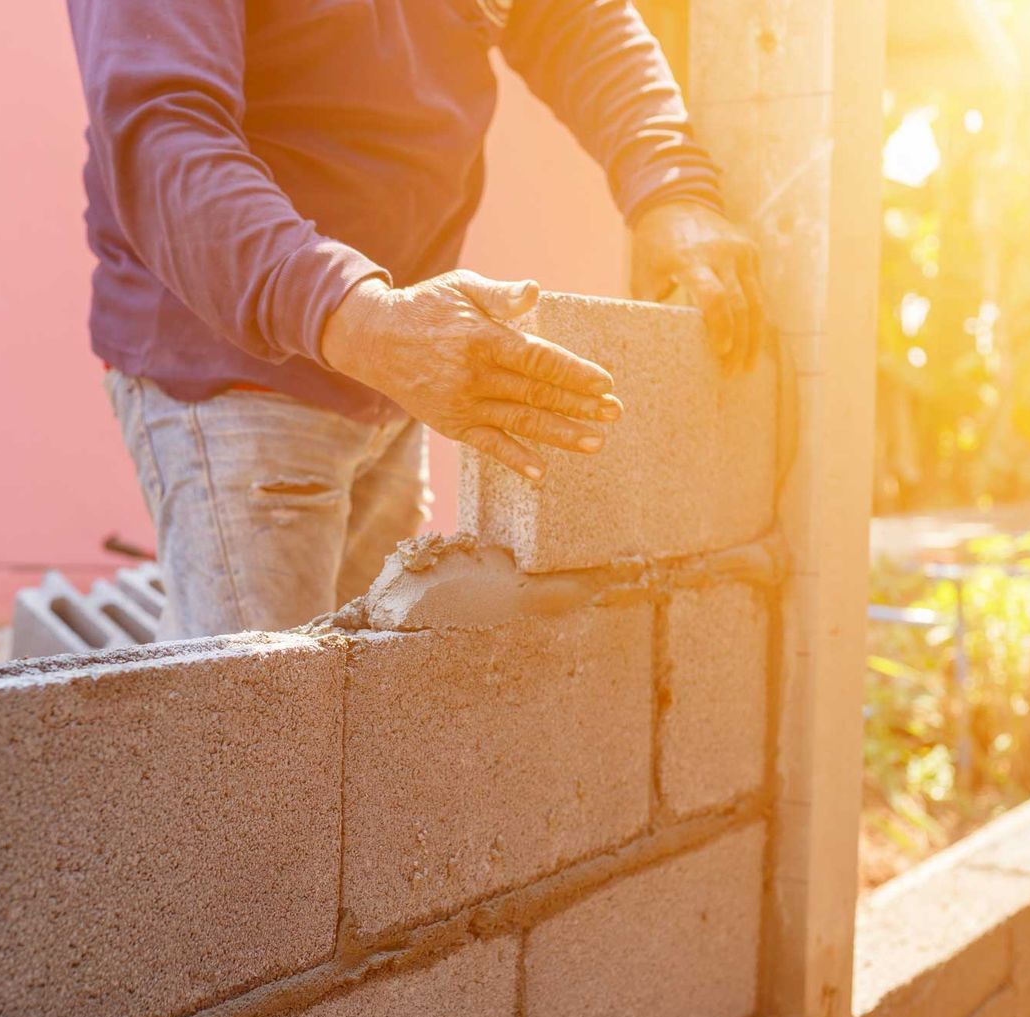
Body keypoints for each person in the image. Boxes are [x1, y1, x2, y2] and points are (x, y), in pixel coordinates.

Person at [67, 0, 766, 641]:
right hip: (238, 373)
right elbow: (162, 133)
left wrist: (671, 184)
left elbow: (566, 16)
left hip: (392, 356)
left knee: (364, 717)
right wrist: (359, 319)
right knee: (256, 741)